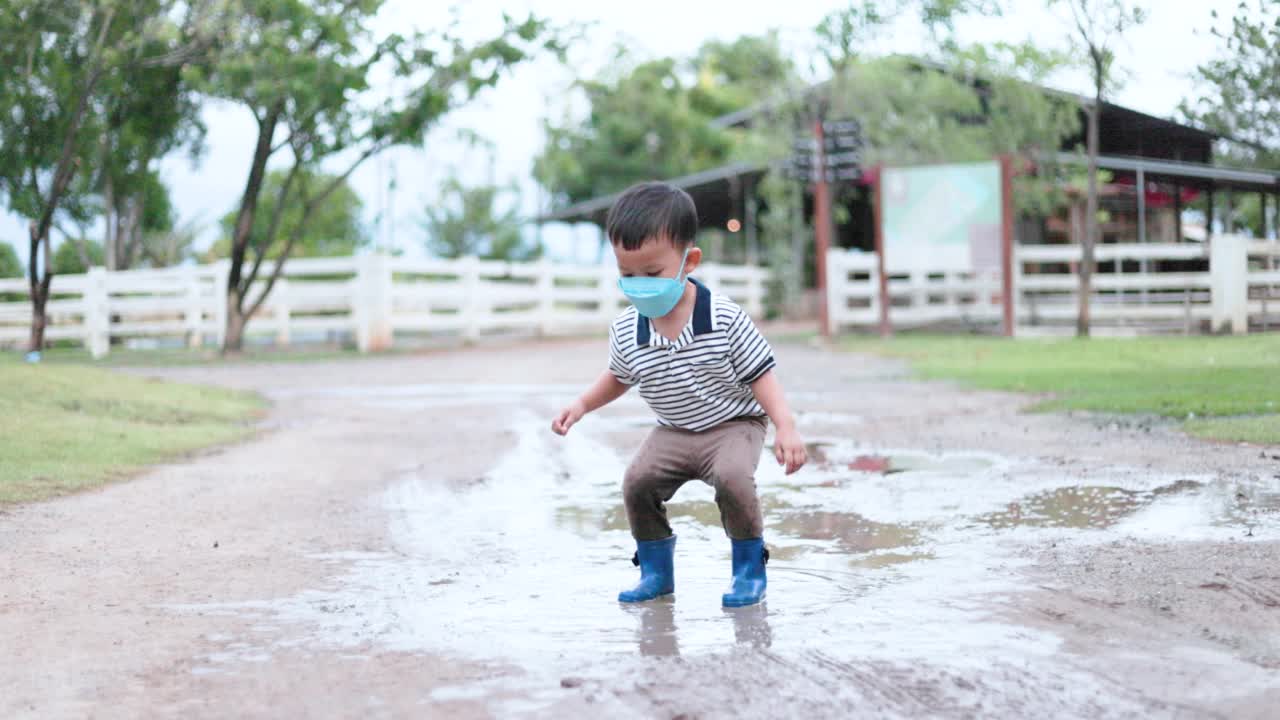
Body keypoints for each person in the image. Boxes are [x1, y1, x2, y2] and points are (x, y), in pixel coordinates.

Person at [551, 181, 807, 608]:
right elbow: (618, 376)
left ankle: (748, 570)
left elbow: (761, 372)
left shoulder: (722, 318)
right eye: (628, 274)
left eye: (652, 274)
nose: (640, 285)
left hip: (732, 424)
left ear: (689, 261)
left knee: (732, 479)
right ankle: (656, 571)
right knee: (637, 482)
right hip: (674, 430)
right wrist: (580, 405)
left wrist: (785, 424)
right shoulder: (629, 328)